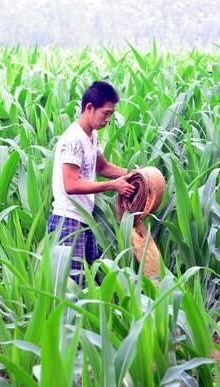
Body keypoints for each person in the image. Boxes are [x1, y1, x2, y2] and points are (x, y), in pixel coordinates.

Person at [47, 81, 135, 286]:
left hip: (84, 220)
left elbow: (102, 167)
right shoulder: (74, 140)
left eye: (111, 114)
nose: (108, 119)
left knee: (90, 284)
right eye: (105, 113)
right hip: (67, 222)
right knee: (72, 287)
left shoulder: (91, 136)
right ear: (89, 108)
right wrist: (113, 186)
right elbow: (71, 184)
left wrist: (133, 175)